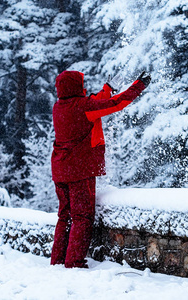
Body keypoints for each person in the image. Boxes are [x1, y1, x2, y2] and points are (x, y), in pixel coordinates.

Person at [50, 70, 151, 268]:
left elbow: (94, 102)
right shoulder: (83, 107)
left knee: (65, 216)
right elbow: (116, 104)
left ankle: (58, 260)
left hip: (60, 170)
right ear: (75, 86)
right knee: (82, 217)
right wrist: (138, 86)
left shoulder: (59, 107)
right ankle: (74, 262)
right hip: (79, 170)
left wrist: (108, 89)